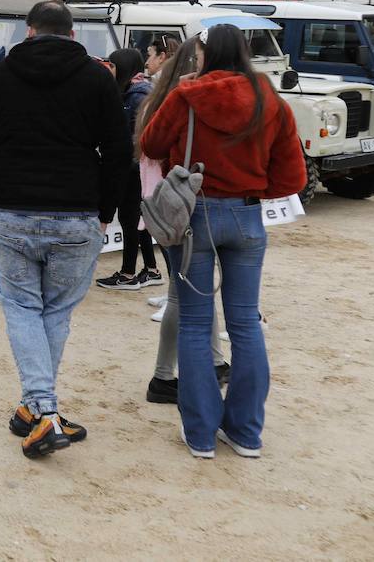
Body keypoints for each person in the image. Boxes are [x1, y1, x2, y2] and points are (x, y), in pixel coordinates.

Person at [0, 0, 131, 459]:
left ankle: (38, 411)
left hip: (12, 209)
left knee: (21, 307)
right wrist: (106, 210)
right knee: (54, 312)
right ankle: (41, 410)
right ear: (73, 35)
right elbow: (118, 149)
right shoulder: (98, 78)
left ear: (29, 31)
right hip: (77, 212)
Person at [141, 24, 306, 459]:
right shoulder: (270, 98)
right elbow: (293, 177)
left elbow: (151, 143)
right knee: (246, 325)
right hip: (248, 217)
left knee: (195, 324)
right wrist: (251, 190)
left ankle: (200, 435)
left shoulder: (186, 95)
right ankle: (246, 432)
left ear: (204, 55)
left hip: (194, 215)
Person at [136, 39, 230, 405]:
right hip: (177, 208)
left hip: (162, 206)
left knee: (192, 289)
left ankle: (216, 362)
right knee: (183, 293)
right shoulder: (180, 104)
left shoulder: (157, 100)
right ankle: (163, 377)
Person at [96, 48, 162, 290]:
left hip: (133, 167)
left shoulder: (137, 96)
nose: (109, 70)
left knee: (129, 218)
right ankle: (152, 270)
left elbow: (133, 137)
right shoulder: (133, 91)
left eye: (112, 66)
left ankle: (127, 274)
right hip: (136, 166)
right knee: (138, 218)